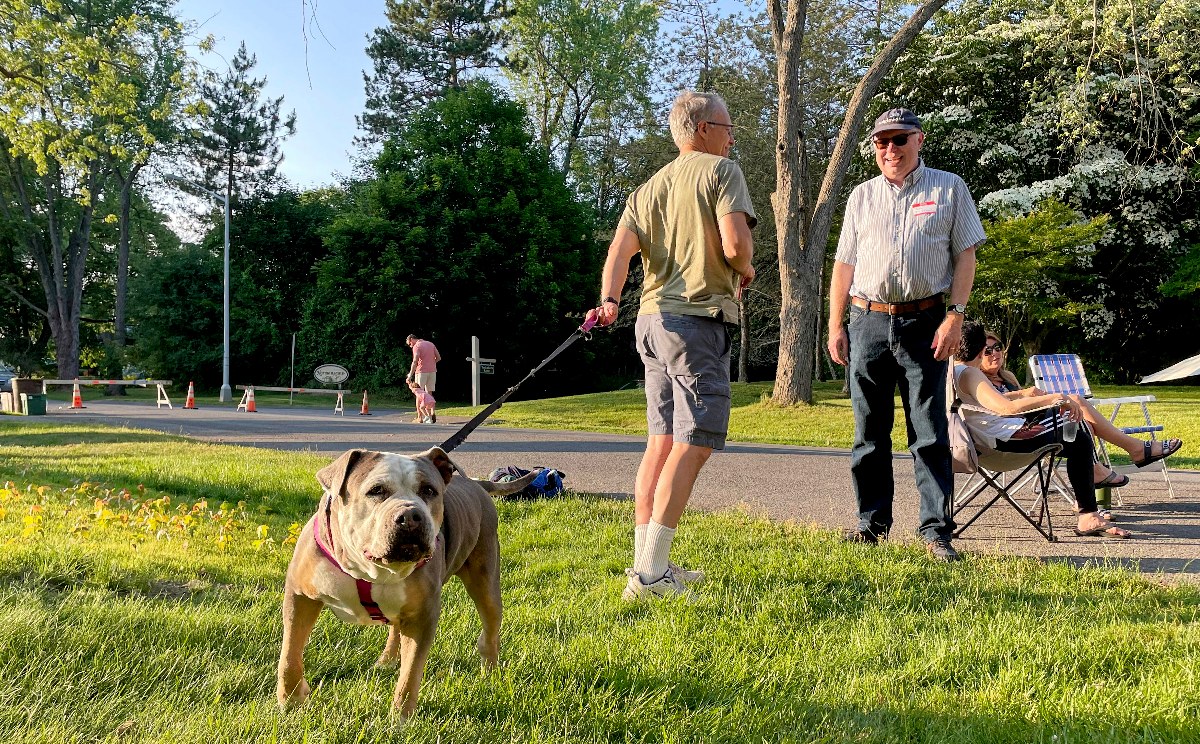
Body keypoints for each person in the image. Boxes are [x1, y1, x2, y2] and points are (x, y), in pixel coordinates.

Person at [595, 90, 756, 600]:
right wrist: (745, 266)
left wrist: (608, 301)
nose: (732, 138)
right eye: (728, 127)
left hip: (649, 321)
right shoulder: (720, 173)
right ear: (703, 129)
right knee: (695, 442)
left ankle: (648, 567)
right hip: (695, 322)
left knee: (660, 442)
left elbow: (620, 251)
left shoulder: (647, 188)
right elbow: (735, 246)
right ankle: (649, 575)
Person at [827, 107, 984, 562]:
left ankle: (936, 531)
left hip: (926, 322)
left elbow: (966, 256)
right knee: (869, 431)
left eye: (899, 139)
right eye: (881, 142)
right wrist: (836, 324)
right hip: (867, 321)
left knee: (930, 431)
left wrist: (955, 317)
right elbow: (843, 266)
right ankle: (870, 525)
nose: (890, 149)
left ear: (919, 139)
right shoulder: (861, 196)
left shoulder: (949, 187)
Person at [954, 321, 1130, 538]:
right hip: (1004, 444)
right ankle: (1088, 512)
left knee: (1073, 430)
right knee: (1078, 436)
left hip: (982, 444)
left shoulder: (951, 372)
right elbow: (1005, 407)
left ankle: (1091, 490)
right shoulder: (970, 373)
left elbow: (987, 405)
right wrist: (1057, 398)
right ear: (981, 350)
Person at [978, 329, 1182, 487]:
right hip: (1016, 438)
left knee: (1080, 418)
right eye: (988, 351)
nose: (995, 353)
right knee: (1077, 409)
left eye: (998, 347)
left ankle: (1091, 487)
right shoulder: (977, 381)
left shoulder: (1009, 377)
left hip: (1034, 423)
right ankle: (1132, 451)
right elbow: (993, 406)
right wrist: (1026, 395)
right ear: (977, 356)